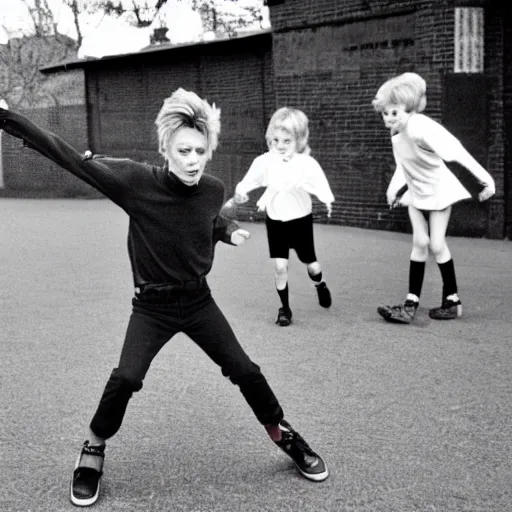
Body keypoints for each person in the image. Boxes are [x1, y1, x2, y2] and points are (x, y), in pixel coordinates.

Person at [0, 89, 329, 507]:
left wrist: (225, 231)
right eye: (183, 150)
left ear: (208, 151)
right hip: (152, 307)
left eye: (200, 151)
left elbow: (204, 217)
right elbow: (66, 156)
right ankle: (94, 447)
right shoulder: (135, 182)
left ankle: (283, 435)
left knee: (245, 370)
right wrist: (8, 120)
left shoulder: (212, 188)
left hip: (198, 303)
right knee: (126, 377)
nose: (193, 159)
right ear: (166, 149)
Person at [372, 72, 495, 324]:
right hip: (416, 192)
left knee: (436, 245)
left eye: (394, 113)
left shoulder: (420, 126)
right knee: (420, 242)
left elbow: (455, 150)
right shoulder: (397, 133)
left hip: (438, 190)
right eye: (385, 113)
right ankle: (410, 305)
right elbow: (403, 166)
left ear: (409, 109)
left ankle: (452, 300)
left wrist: (486, 179)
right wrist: (393, 190)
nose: (388, 119)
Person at [232, 107, 335, 327]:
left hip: (300, 220)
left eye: (287, 141)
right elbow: (249, 181)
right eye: (275, 140)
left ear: (299, 140)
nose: (280, 145)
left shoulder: (306, 164)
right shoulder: (265, 161)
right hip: (276, 220)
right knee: (280, 267)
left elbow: (319, 185)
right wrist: (241, 191)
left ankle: (320, 284)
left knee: (312, 265)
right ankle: (285, 309)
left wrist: (324, 197)